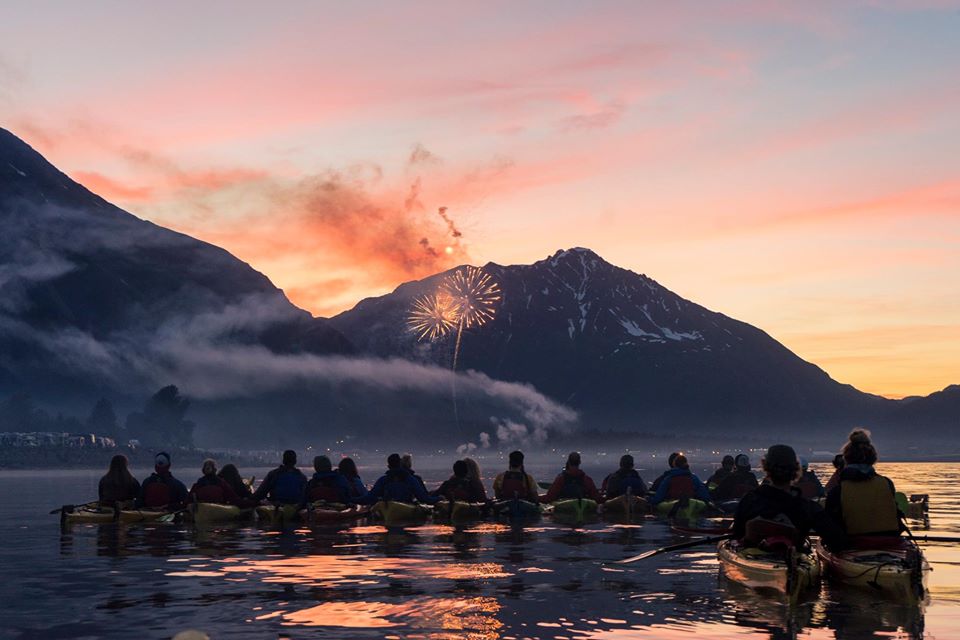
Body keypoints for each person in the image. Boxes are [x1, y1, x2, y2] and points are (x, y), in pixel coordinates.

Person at [733, 444, 846, 549]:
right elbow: (837, 541)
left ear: (766, 469)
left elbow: (737, 535)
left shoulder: (748, 501)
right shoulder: (808, 508)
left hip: (753, 558)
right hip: (793, 558)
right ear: (796, 471)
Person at [825, 429, 902, 540]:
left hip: (852, 544)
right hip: (890, 541)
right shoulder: (887, 483)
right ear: (873, 459)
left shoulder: (837, 491)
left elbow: (830, 527)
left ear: (846, 459)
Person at [364, 453, 437, 504]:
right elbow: (423, 498)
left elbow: (370, 497)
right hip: (406, 504)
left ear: (388, 466)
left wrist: (353, 499)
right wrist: (439, 499)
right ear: (400, 464)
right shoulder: (411, 479)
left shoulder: (383, 480)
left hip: (388, 504)